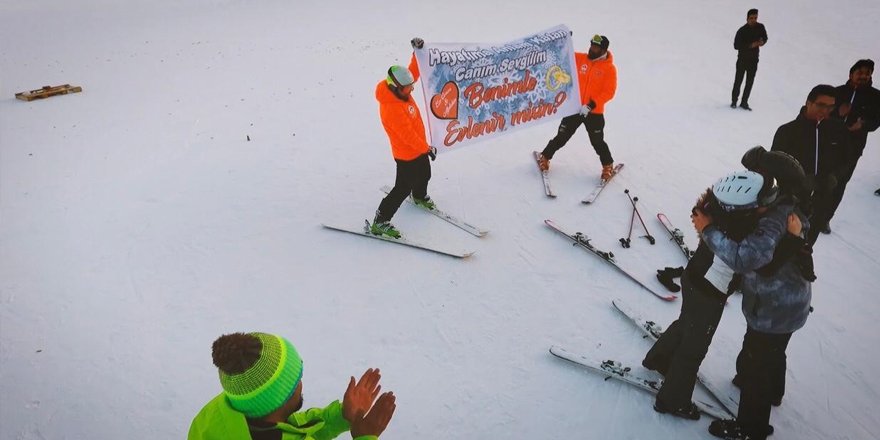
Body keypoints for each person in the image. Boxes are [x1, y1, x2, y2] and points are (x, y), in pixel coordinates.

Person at [695, 173, 814, 440]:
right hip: (790, 305)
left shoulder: (767, 230)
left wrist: (708, 229)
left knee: (758, 360)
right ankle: (773, 390)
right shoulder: (782, 205)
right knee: (773, 351)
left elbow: (743, 258)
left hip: (773, 310)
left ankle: (750, 429)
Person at [642, 186, 754, 421]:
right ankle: (671, 401)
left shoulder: (723, 205)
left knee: (687, 323)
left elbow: (701, 213)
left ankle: (660, 359)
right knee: (694, 347)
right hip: (708, 291)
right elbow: (745, 259)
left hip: (694, 277)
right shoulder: (744, 224)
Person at [189, 332, 396, 440]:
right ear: (280, 400)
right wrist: (365, 436)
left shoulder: (217, 413)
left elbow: (293, 430)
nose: (301, 384)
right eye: (297, 379)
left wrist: (342, 416)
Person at [370, 45, 437, 239]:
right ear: (394, 87)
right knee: (401, 188)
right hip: (406, 154)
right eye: (408, 88)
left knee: (425, 173)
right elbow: (407, 136)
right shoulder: (391, 109)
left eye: (411, 87)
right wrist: (426, 147)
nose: (411, 90)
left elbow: (413, 73)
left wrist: (417, 53)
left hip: (419, 148)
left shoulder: (401, 90)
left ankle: (419, 196)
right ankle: (380, 222)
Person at [771, 84, 851, 244]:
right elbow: (775, 166)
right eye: (821, 105)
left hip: (821, 201)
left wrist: (834, 177)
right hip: (790, 202)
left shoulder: (838, 130)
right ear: (808, 103)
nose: (826, 110)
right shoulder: (788, 131)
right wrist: (799, 182)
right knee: (780, 243)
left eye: (830, 107)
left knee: (805, 246)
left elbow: (847, 160)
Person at [538, 34, 618, 181]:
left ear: (603, 50)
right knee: (562, 136)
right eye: (591, 46)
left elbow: (609, 92)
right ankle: (545, 157)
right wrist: (563, 41)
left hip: (594, 112)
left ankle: (608, 165)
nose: (592, 49)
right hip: (574, 108)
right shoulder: (581, 59)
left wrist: (591, 105)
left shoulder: (609, 69)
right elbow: (563, 55)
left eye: (596, 47)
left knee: (597, 142)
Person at [828, 59, 880, 227]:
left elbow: (876, 121)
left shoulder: (876, 97)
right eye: (860, 73)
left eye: (867, 73)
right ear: (851, 74)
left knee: (840, 183)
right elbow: (824, 113)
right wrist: (838, 112)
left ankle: (826, 217)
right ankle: (810, 210)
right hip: (829, 143)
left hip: (852, 148)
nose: (864, 76)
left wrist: (863, 124)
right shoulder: (837, 92)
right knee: (820, 176)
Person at [730, 9, 767, 111]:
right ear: (747, 18)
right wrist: (751, 45)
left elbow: (765, 37)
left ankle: (744, 102)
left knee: (749, 82)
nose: (753, 20)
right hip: (742, 60)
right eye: (751, 18)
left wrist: (762, 42)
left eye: (755, 18)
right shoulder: (742, 31)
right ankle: (734, 101)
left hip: (754, 60)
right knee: (738, 81)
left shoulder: (760, 27)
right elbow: (736, 45)